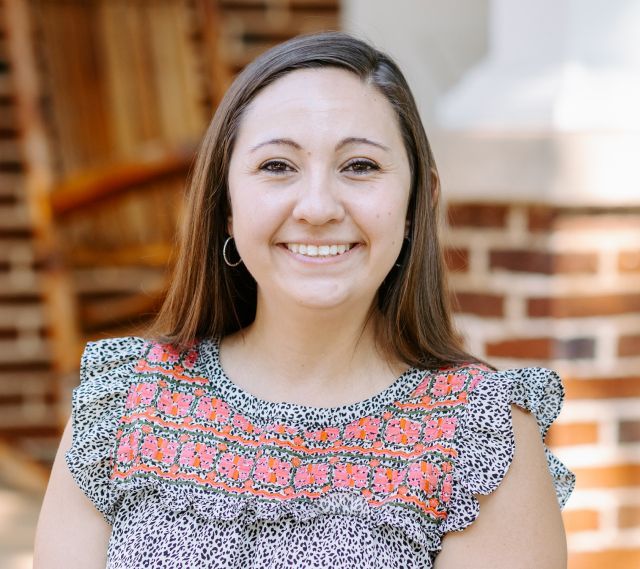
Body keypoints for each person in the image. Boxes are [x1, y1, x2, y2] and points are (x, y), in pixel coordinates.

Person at [34, 32, 575, 568]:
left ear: (417, 204)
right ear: (226, 205)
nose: (317, 207)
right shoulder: (123, 404)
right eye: (277, 166)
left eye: (360, 166)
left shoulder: (480, 435)